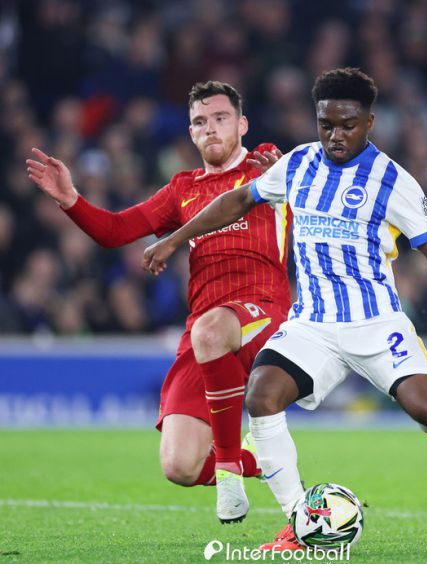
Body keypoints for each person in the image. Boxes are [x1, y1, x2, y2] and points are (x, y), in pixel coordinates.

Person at [142, 68, 427, 547]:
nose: (335, 135)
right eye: (326, 124)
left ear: (369, 122)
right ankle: (301, 520)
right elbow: (238, 200)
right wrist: (174, 239)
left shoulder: (392, 181)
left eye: (347, 125)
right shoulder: (298, 164)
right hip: (312, 324)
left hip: (376, 322)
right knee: (262, 396)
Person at [26, 81, 292, 524]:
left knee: (211, 330)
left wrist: (290, 176)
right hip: (204, 331)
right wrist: (71, 200)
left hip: (263, 311)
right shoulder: (182, 189)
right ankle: (261, 461)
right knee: (179, 466)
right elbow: (115, 231)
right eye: (200, 122)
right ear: (190, 133)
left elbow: (304, 188)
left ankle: (228, 472)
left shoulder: (267, 165)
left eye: (221, 118)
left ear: (242, 124)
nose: (211, 128)